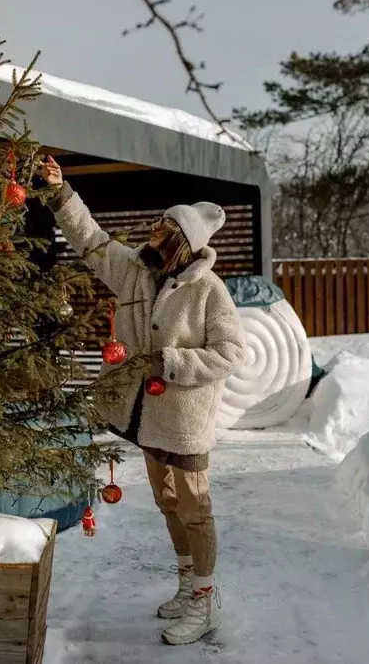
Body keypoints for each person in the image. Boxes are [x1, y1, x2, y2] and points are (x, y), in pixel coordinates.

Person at [38, 156, 246, 646]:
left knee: (195, 507)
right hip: (146, 417)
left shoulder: (209, 292)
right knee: (167, 501)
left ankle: (205, 600)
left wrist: (170, 363)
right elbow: (90, 240)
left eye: (164, 228)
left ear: (184, 241)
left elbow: (232, 353)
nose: (154, 233)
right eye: (157, 224)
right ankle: (186, 585)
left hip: (185, 418)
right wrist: (59, 192)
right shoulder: (134, 272)